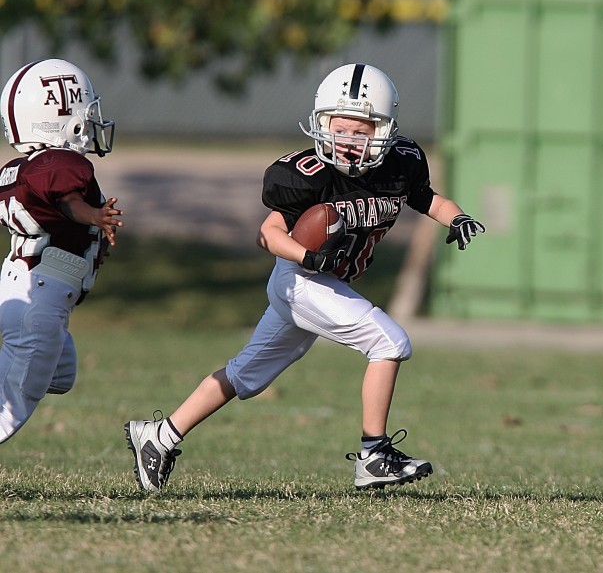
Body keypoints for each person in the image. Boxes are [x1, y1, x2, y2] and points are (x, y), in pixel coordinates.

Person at [124, 63, 484, 492]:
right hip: (300, 279)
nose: (348, 142)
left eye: (361, 131)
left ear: (384, 131)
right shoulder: (305, 175)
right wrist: (308, 255)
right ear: (321, 124)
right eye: (340, 128)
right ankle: (373, 455)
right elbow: (268, 234)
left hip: (317, 284)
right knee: (389, 342)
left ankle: (159, 436)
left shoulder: (400, 164)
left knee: (245, 376)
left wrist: (455, 217)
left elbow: (427, 198)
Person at [0, 59, 122, 443]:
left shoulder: (27, 167)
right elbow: (68, 201)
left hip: (26, 286)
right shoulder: (59, 163)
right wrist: (95, 215)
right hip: (42, 294)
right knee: (15, 397)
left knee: (60, 372)